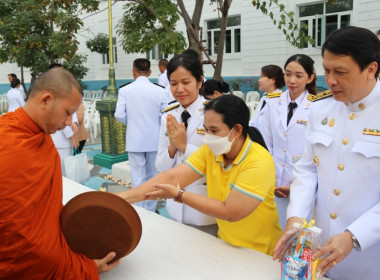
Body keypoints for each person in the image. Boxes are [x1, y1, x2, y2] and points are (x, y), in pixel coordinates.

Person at [273, 26, 380, 279]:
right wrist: (296, 218)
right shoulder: (321, 109)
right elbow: (308, 168)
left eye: (340, 72)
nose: (330, 80)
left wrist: (354, 236)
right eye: (327, 70)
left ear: (371, 69)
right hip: (319, 252)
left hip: (370, 258)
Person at [117, 94, 282, 256]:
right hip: (226, 244)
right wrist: (122, 199)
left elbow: (230, 212)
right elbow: (172, 178)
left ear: (237, 130)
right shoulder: (211, 151)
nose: (208, 137)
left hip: (259, 253)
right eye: (206, 130)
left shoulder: (259, 161)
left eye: (214, 130)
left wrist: (179, 194)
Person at [0, 68, 118, 279]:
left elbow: (46, 209)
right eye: (67, 112)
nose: (67, 122)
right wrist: (86, 268)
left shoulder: (42, 139)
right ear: (45, 100)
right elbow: (21, 240)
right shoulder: (8, 141)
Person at [156, 53, 216, 233]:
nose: (179, 89)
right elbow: (160, 166)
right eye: (173, 84)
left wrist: (184, 147)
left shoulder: (214, 113)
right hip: (175, 209)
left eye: (186, 82)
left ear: (199, 82)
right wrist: (172, 149)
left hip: (205, 210)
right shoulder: (169, 115)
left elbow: (218, 162)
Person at [260, 54, 317, 229]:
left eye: (299, 76)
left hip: (301, 182)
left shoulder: (317, 106)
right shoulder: (271, 102)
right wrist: (271, 178)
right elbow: (264, 142)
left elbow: (315, 151)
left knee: (295, 232)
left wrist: (296, 183)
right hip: (272, 182)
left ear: (310, 78)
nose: (292, 80)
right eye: (287, 74)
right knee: (271, 230)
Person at [115, 58, 168, 212]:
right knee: (152, 177)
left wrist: (132, 123)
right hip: (153, 139)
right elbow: (164, 115)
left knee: (137, 176)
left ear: (133, 71)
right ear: (150, 72)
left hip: (135, 139)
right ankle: (150, 210)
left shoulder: (125, 90)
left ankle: (139, 210)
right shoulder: (160, 90)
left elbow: (119, 115)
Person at [250, 64, 285, 132]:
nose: (259, 80)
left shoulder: (281, 100)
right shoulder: (264, 98)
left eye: (262, 77)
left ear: (272, 79)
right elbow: (256, 121)